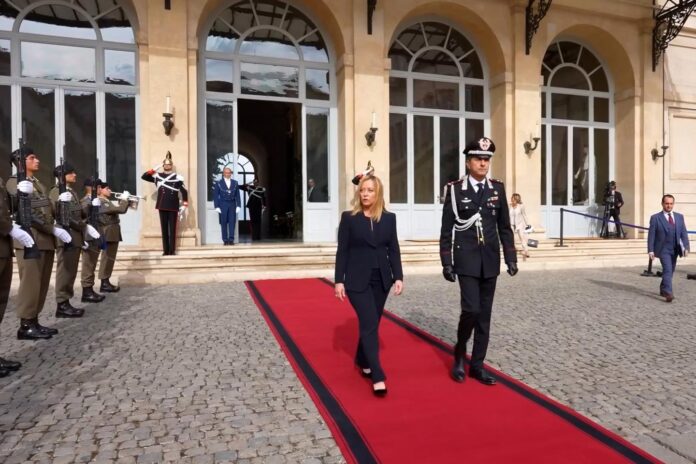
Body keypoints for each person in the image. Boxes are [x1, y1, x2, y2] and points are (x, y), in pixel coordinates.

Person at [440, 137, 518, 385]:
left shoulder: (497, 189)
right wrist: (446, 261)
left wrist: (511, 257)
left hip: (490, 259)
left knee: (484, 316)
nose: (483, 163)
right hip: (466, 259)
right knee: (471, 310)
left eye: (486, 159)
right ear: (468, 162)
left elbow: (504, 226)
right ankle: (460, 352)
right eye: (478, 159)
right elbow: (446, 229)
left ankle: (477, 365)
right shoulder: (455, 190)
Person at [334, 172, 403, 397]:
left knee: (372, 323)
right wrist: (339, 280)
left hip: (382, 279)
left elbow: (393, 249)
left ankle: (362, 359)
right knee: (370, 322)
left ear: (378, 193)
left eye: (370, 190)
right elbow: (342, 251)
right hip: (357, 280)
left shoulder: (389, 218)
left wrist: (398, 276)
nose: (365, 194)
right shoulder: (349, 218)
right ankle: (377, 374)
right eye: (362, 190)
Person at [6, 146, 72, 340]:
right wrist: (52, 229)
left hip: (45, 240)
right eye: (32, 158)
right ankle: (25, 324)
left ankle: (34, 320)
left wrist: (61, 202)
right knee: (31, 284)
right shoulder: (13, 182)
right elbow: (20, 210)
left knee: (42, 283)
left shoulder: (38, 184)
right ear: (20, 161)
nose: (37, 161)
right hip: (30, 238)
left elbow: (47, 210)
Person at [49, 164, 101, 318]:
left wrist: (91, 203)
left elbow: (79, 213)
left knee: (71, 272)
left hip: (75, 236)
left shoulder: (72, 192)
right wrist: (84, 226)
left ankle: (66, 302)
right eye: (71, 173)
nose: (75, 175)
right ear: (62, 175)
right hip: (66, 236)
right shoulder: (56, 191)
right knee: (65, 272)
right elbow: (60, 215)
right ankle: (62, 304)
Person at [0, 175, 34, 375]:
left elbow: (6, 208)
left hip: (4, 248)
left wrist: (20, 195)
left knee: (1, 303)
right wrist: (10, 228)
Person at [141, 151, 189, 255]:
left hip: (173, 205)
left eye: (169, 164)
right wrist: (155, 169)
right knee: (164, 229)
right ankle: (165, 250)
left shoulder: (177, 177)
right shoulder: (158, 176)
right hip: (162, 205)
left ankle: (172, 250)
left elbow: (184, 192)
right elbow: (144, 176)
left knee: (172, 229)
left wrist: (185, 205)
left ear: (171, 166)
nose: (167, 166)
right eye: (165, 164)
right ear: (163, 166)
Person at [648, 194, 690, 303]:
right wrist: (651, 250)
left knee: (671, 271)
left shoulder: (679, 217)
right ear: (662, 204)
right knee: (667, 269)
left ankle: (663, 288)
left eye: (671, 204)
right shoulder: (655, 218)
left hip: (675, 249)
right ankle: (668, 293)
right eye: (667, 203)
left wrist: (686, 247)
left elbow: (683, 233)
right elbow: (651, 235)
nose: (669, 206)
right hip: (663, 249)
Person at [96, 180, 129, 293]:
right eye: (107, 189)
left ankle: (106, 281)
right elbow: (120, 209)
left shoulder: (106, 201)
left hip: (112, 232)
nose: (109, 190)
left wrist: (124, 201)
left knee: (110, 258)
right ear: (100, 190)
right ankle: (104, 282)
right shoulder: (102, 202)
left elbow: (119, 210)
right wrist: (124, 200)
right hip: (108, 232)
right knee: (107, 258)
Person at [80, 178, 106, 303]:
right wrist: (90, 204)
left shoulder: (97, 200)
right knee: (88, 265)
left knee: (93, 264)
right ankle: (86, 291)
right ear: (91, 188)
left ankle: (90, 289)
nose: (100, 189)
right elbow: (81, 218)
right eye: (99, 187)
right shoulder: (85, 201)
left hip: (96, 236)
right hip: (88, 237)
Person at [213, 167, 241, 245]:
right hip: (223, 204)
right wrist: (216, 206)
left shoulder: (235, 183)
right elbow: (215, 196)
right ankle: (225, 240)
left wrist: (238, 205)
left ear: (231, 173)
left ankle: (231, 239)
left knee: (232, 222)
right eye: (226, 173)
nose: (228, 174)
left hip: (232, 204)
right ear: (223, 174)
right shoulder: (219, 183)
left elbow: (237, 195)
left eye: (229, 173)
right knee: (223, 222)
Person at [509, 193, 531, 259]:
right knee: (511, 238)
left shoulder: (521, 206)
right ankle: (513, 250)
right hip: (511, 224)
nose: (512, 200)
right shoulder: (509, 206)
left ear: (517, 200)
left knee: (522, 237)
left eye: (513, 199)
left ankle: (526, 251)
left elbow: (524, 215)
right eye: (512, 199)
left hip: (519, 224)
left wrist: (528, 224)